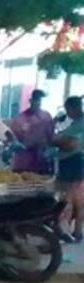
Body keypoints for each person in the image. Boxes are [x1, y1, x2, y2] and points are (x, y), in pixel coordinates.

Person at [54, 95, 84, 243]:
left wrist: (57, 141)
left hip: (74, 162)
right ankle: (77, 231)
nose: (67, 113)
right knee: (78, 199)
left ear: (74, 108)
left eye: (68, 109)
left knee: (69, 199)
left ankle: (67, 231)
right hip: (75, 162)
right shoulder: (76, 123)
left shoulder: (80, 124)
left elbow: (72, 144)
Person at [10, 89, 55, 175]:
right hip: (23, 161)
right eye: (36, 99)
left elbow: (51, 136)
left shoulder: (46, 116)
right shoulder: (20, 119)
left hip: (42, 161)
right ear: (30, 100)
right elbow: (12, 139)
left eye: (39, 100)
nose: (38, 102)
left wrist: (49, 151)